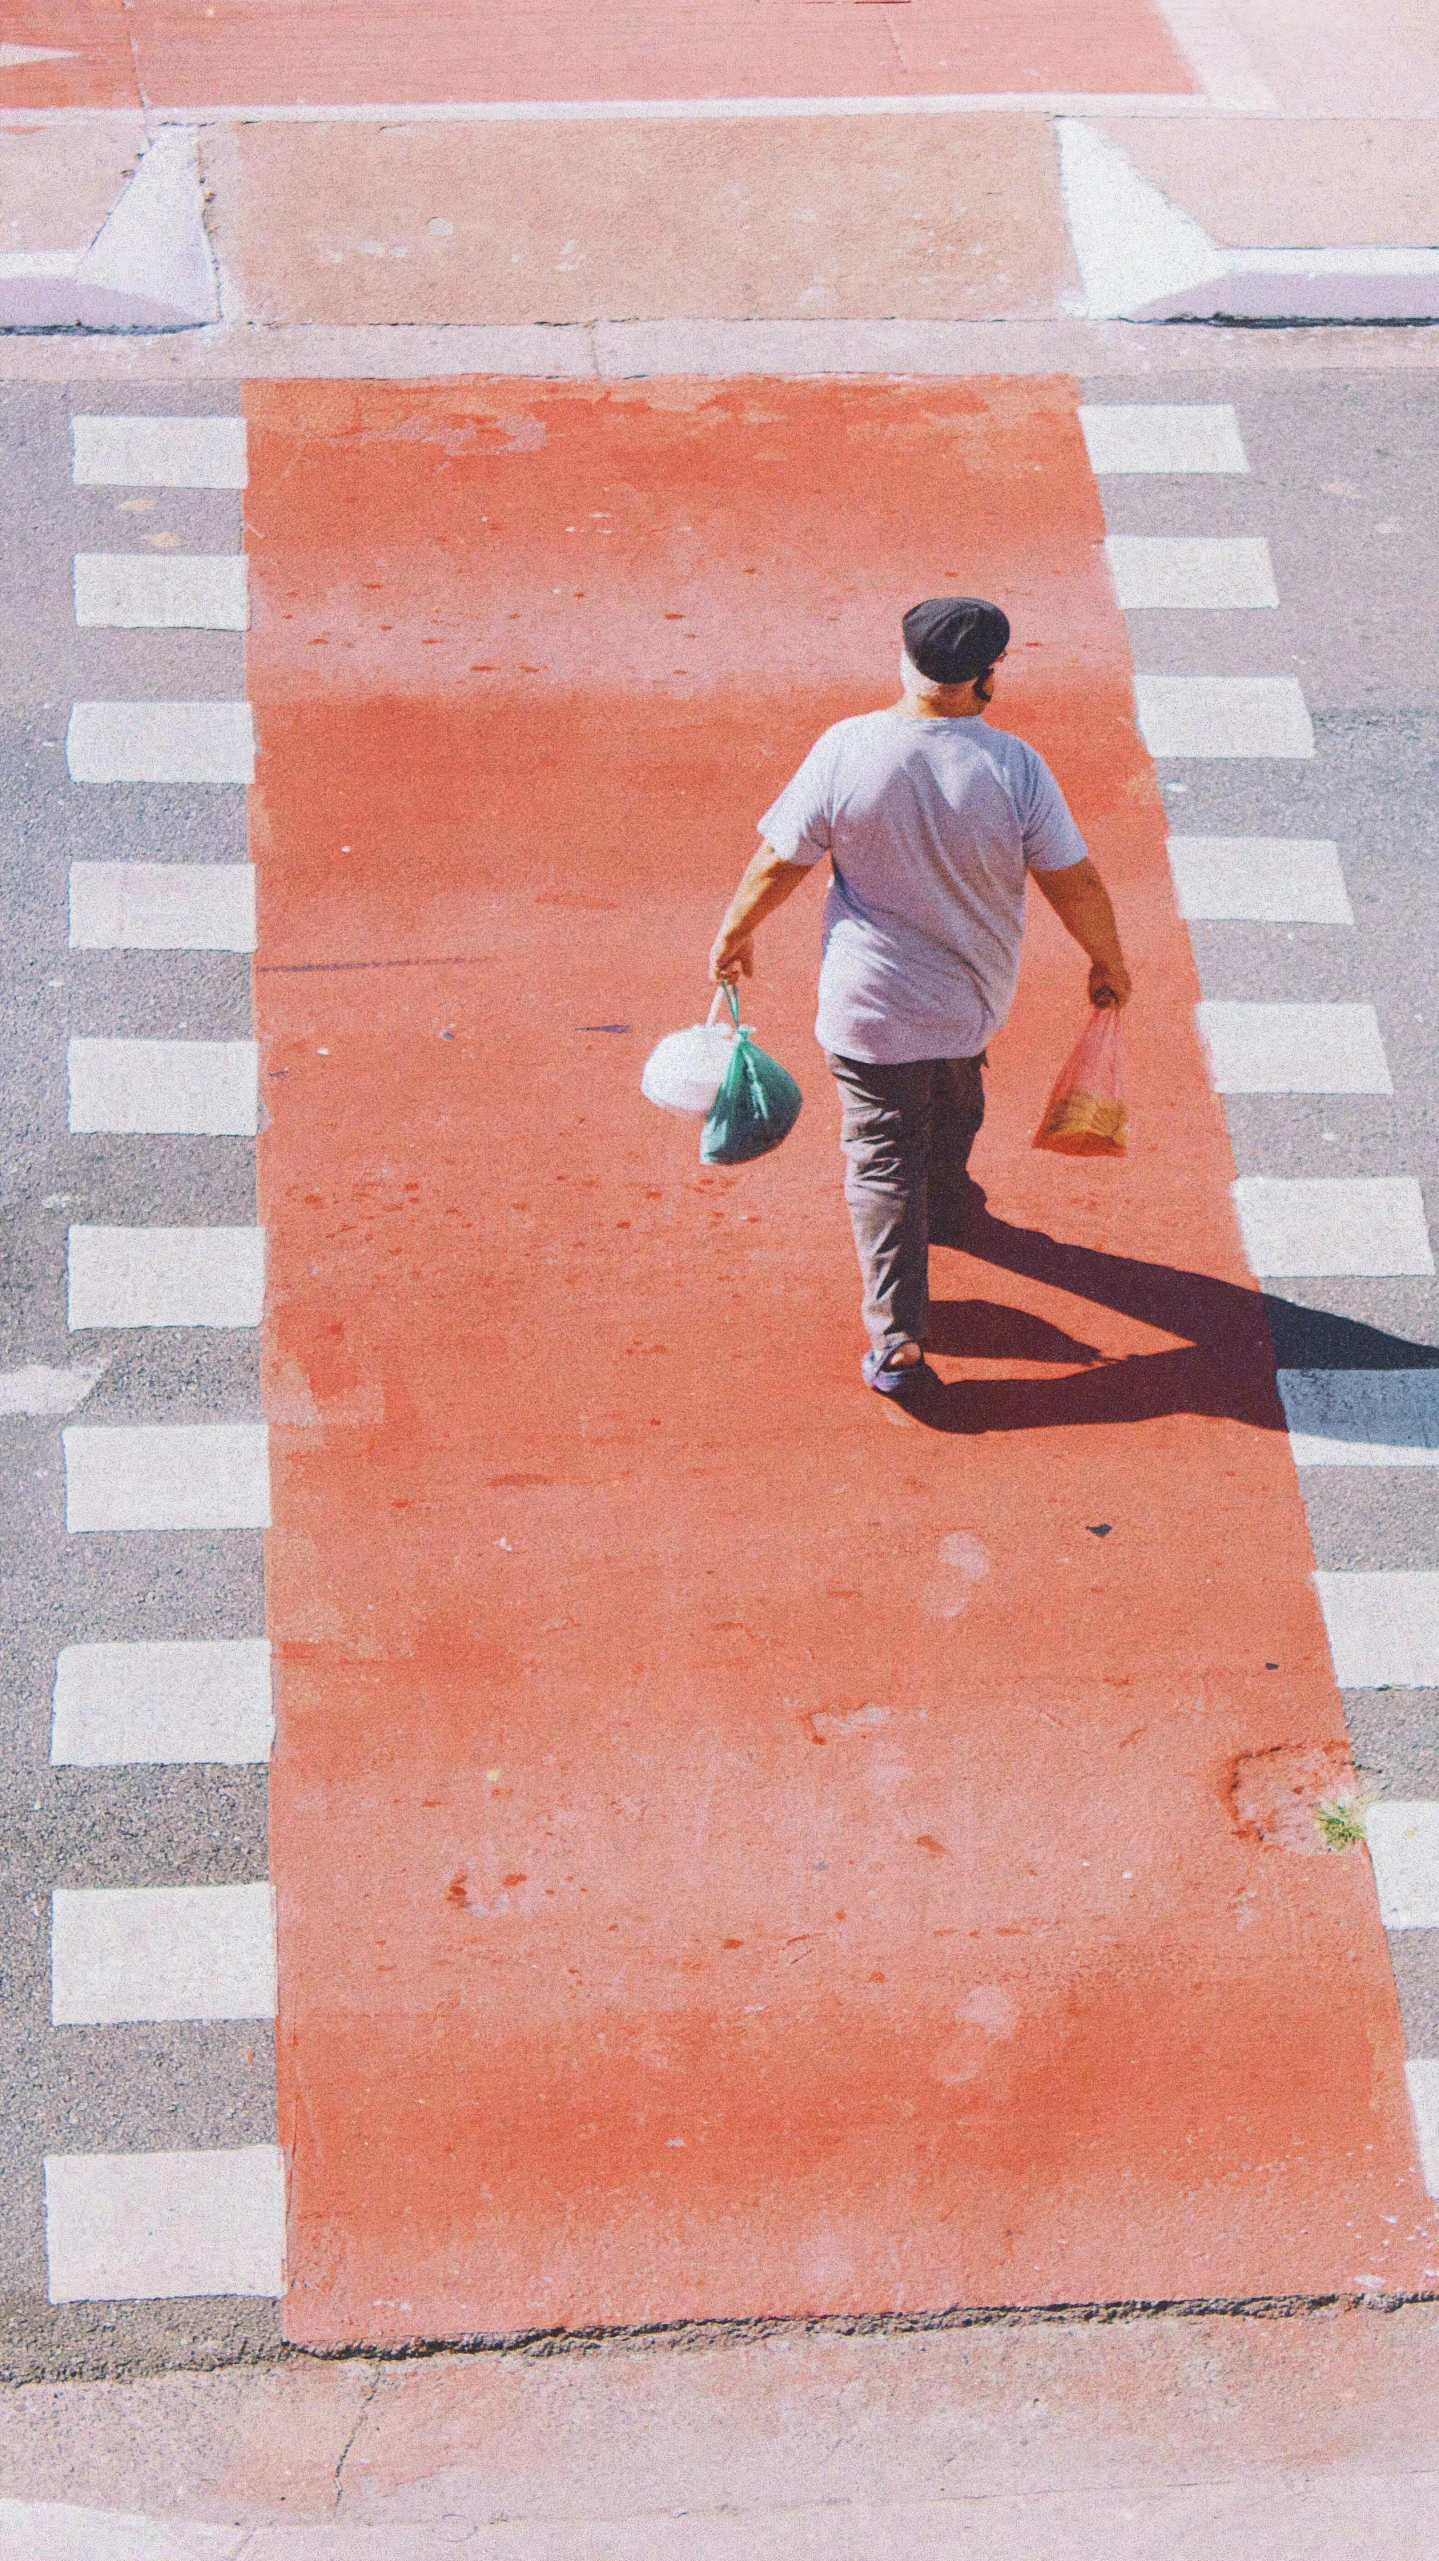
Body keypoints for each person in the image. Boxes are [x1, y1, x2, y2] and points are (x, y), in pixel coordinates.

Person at [707, 595, 1132, 1397]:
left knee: (881, 1160)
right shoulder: (1013, 767)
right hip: (968, 1002)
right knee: (952, 1094)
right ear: (987, 677)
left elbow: (778, 860)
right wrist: (1106, 960)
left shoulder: (847, 748)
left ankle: (898, 1339)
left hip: (868, 1010)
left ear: (904, 662)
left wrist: (733, 933)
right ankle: (944, 1206)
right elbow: (1071, 878)